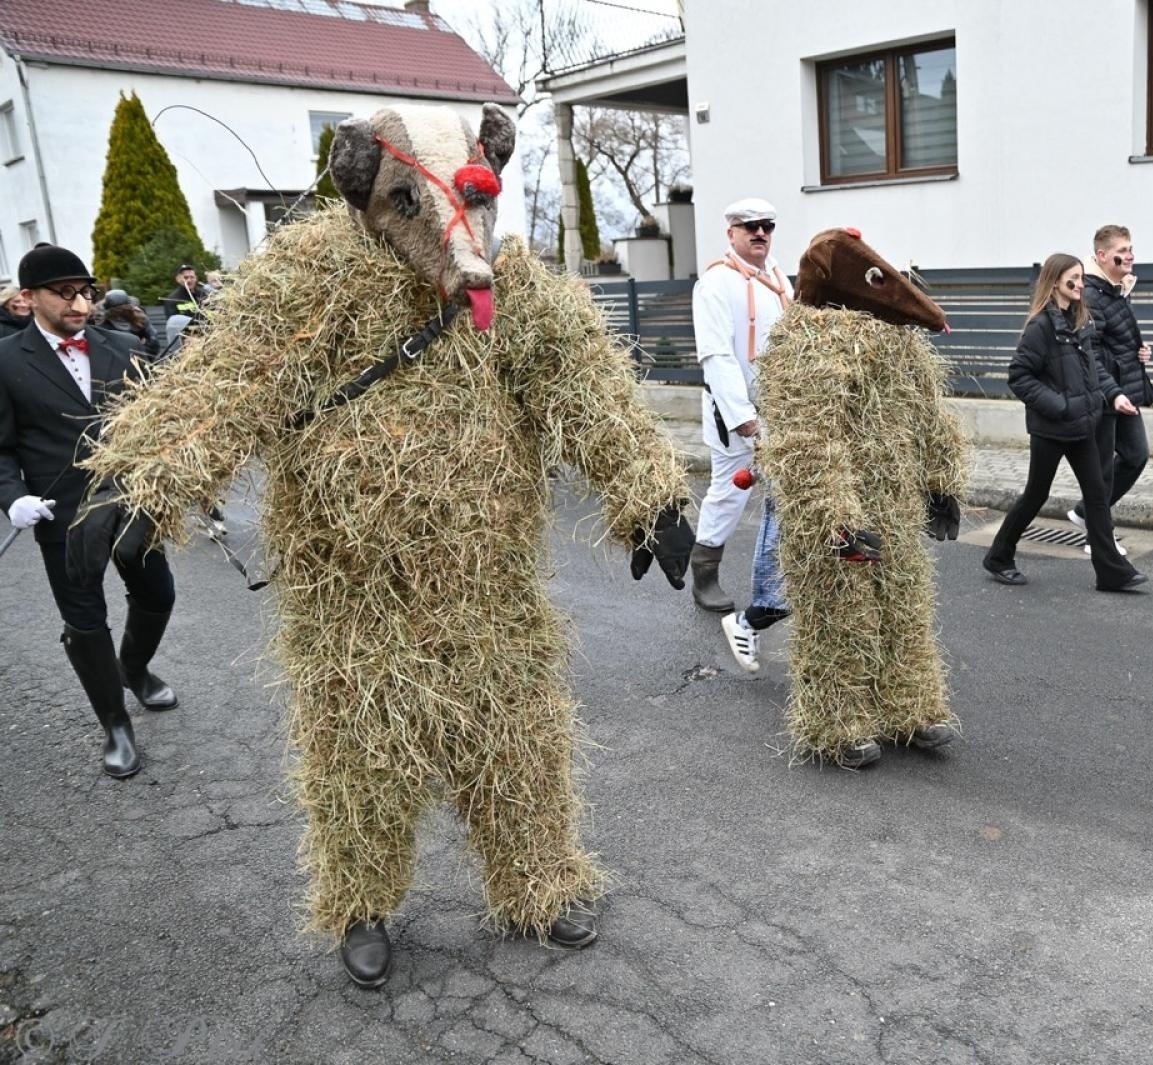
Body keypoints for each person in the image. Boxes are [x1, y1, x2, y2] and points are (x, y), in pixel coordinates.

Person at [76, 103, 694, 988]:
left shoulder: (508, 287)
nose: (464, 239)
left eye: (478, 205)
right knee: (363, 759)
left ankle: (538, 882)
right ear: (370, 198)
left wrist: (648, 495)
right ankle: (362, 903)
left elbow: (580, 382)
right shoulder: (309, 276)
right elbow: (226, 378)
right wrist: (143, 479)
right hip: (357, 598)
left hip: (492, 589)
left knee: (515, 742)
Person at [755, 227, 967, 767]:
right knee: (840, 617)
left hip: (895, 501)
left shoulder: (898, 342)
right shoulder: (807, 345)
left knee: (905, 608)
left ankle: (910, 706)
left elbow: (928, 415)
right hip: (836, 510)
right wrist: (835, 516)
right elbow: (805, 440)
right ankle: (838, 722)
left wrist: (942, 482)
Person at [0, 245, 179, 780]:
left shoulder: (122, 345)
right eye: (65, 293)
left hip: (131, 501)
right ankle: (115, 724)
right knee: (84, 618)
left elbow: (159, 422)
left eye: (86, 291)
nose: (80, 303)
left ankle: (135, 668)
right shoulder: (5, 361)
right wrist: (13, 499)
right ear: (29, 297)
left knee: (157, 593)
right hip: (63, 514)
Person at [983, 253, 1146, 592]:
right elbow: (1019, 376)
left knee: (1098, 495)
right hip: (1051, 429)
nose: (1081, 284)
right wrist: (1059, 406)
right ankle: (999, 556)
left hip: (1083, 425)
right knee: (1036, 494)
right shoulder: (1041, 326)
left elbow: (1091, 370)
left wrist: (1101, 400)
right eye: (1074, 278)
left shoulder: (1080, 321)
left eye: (1083, 278)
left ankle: (1112, 572)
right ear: (1055, 280)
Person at [688, 198, 791, 641]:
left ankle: (783, 584)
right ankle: (705, 573)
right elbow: (717, 357)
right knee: (730, 492)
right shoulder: (715, 283)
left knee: (788, 492)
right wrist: (745, 420)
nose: (759, 233)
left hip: (780, 407)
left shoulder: (778, 279)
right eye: (748, 227)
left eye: (766, 225)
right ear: (731, 233)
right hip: (736, 412)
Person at [1069, 225, 1153, 556]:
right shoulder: (1092, 294)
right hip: (1105, 396)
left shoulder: (1116, 289)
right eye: (1123, 249)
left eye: (1132, 247)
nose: (1130, 255)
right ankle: (1098, 540)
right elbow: (1088, 351)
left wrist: (1138, 349)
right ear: (1103, 256)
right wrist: (1113, 393)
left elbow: (1112, 341)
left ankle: (1085, 512)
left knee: (1136, 455)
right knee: (1103, 468)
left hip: (1124, 391)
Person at [95, 289, 161, 357]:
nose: (121, 312)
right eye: (118, 309)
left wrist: (139, 349)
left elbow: (154, 344)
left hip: (142, 361)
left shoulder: (140, 319)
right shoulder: (104, 326)